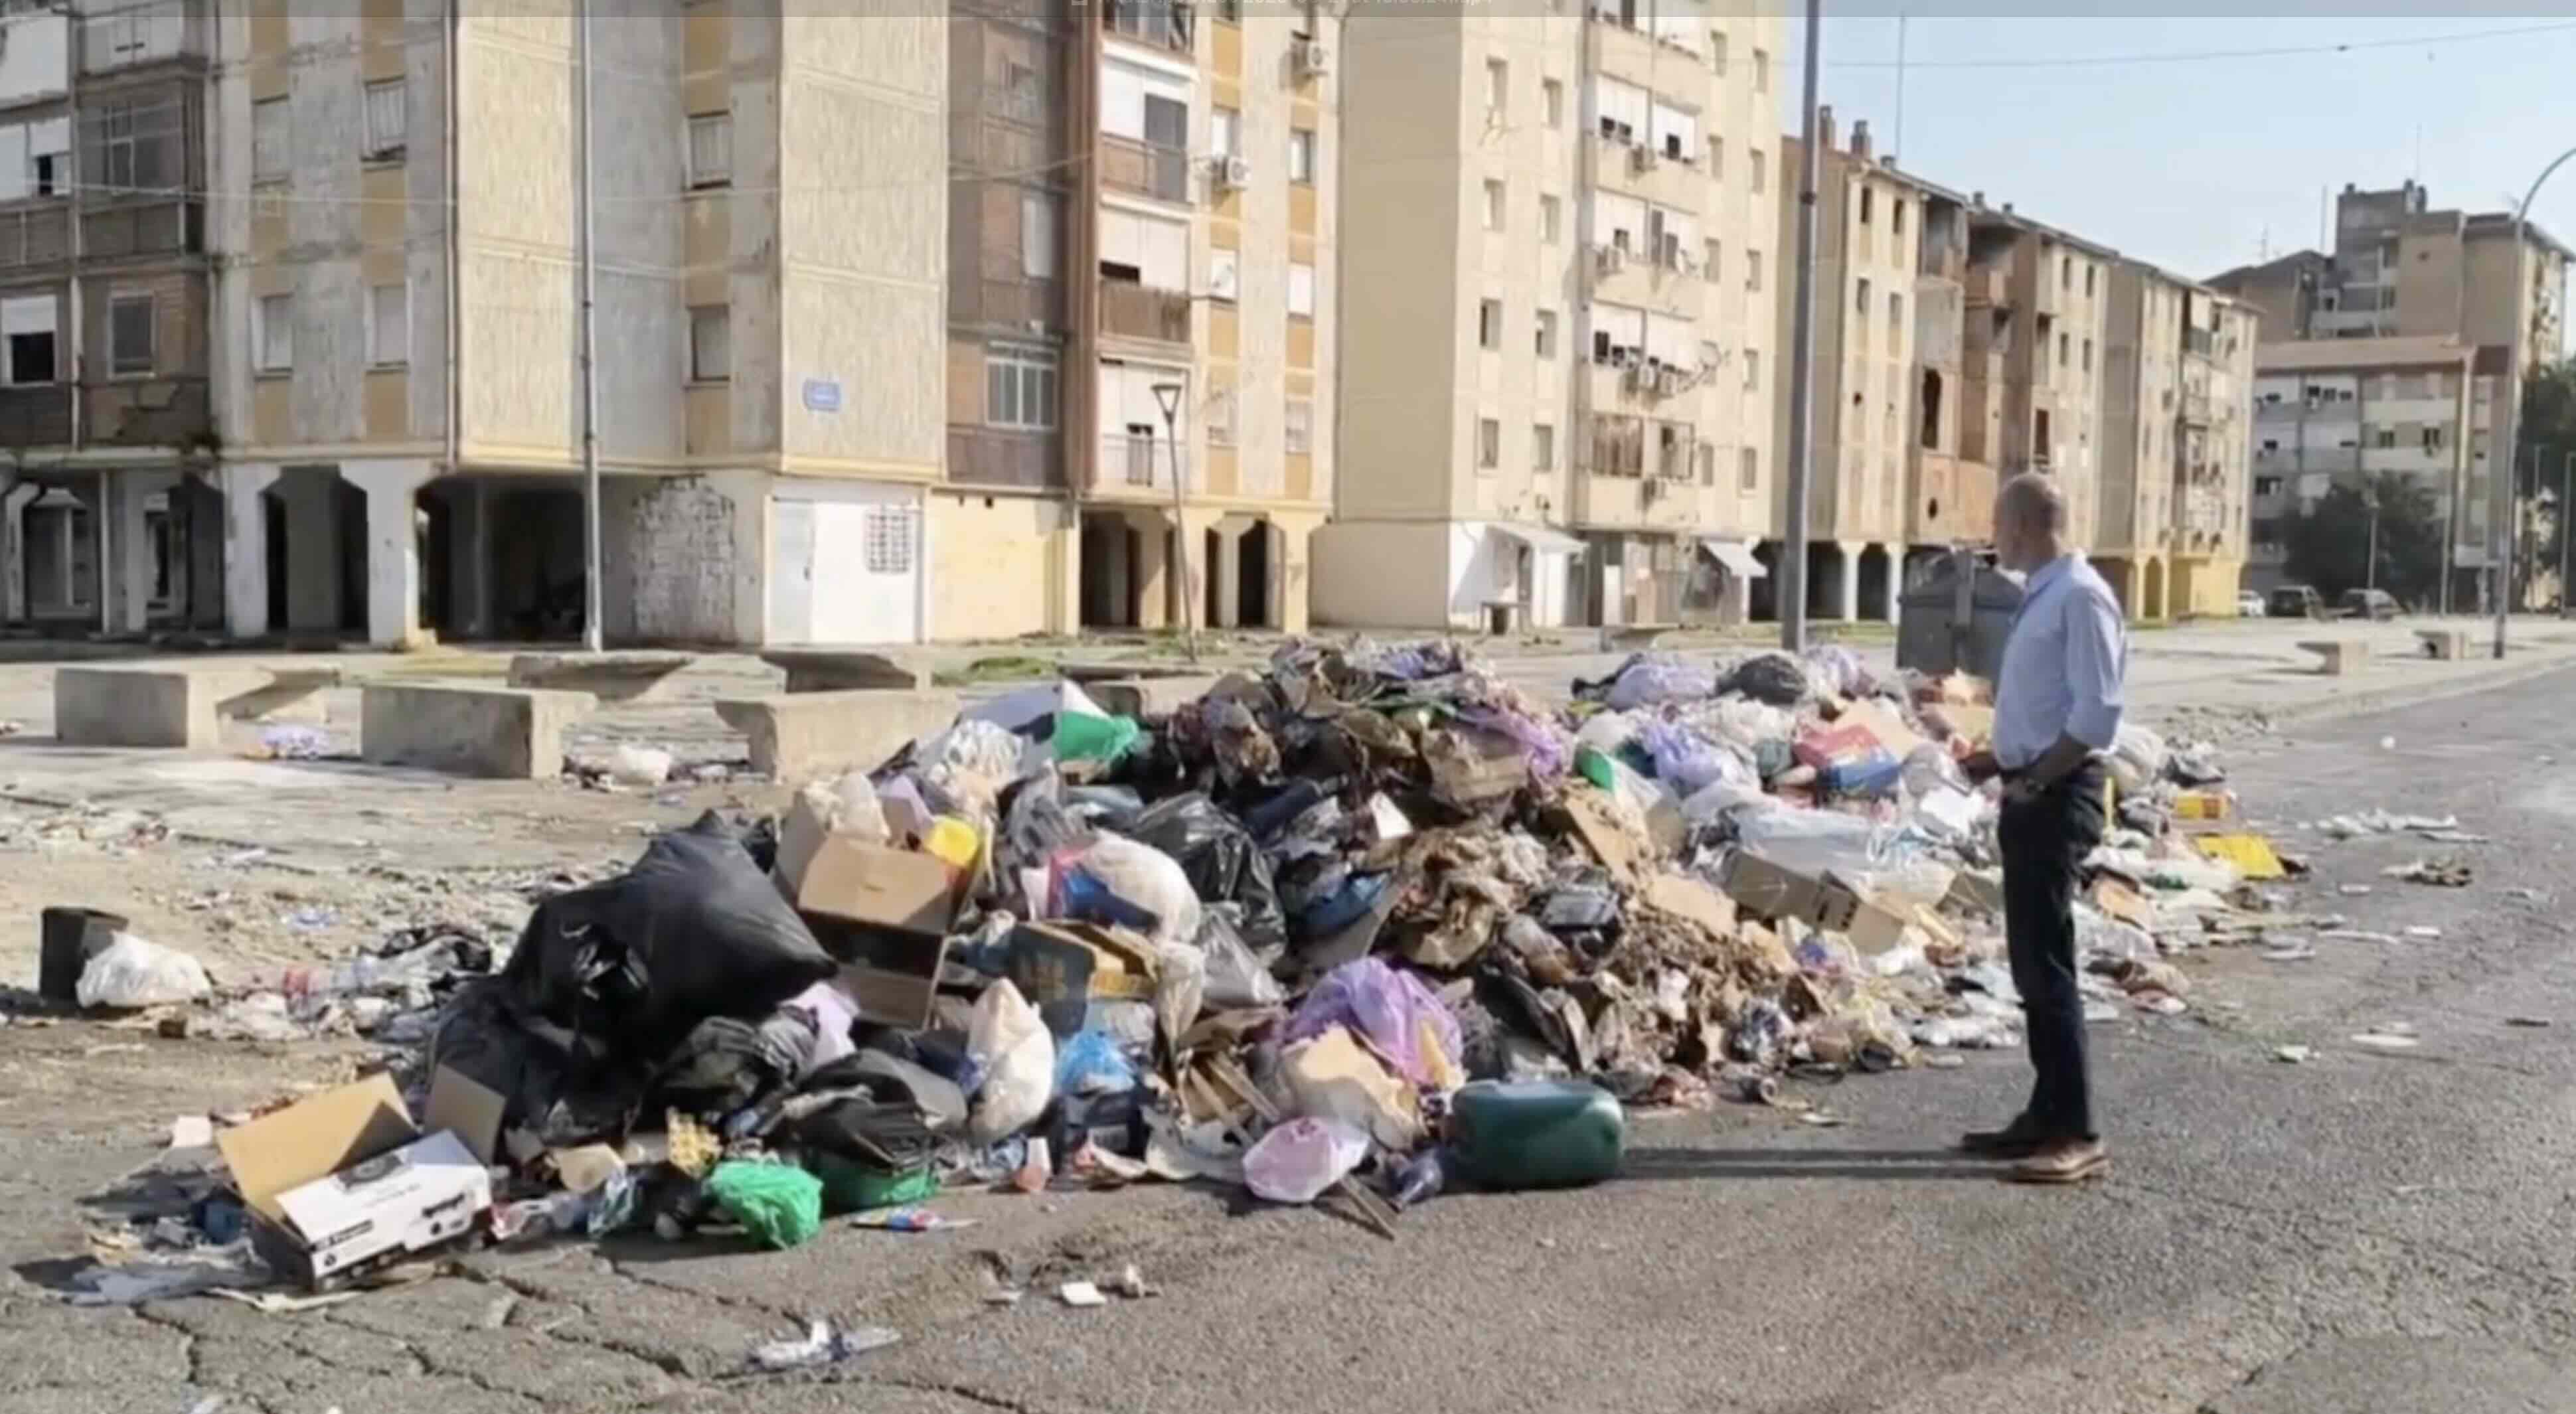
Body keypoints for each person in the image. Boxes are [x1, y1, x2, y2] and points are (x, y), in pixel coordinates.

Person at [1959, 473, 2126, 1185]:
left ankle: (2078, 1131)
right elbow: (2047, 704)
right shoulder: (2046, 594)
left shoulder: (2082, 598)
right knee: (2029, 962)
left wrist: (2033, 778)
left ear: (2024, 526)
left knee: (2049, 962)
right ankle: (2044, 1112)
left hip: (2056, 795)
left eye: (1999, 524)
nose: (1994, 537)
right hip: (2028, 786)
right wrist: (1998, 758)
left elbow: (2095, 718)